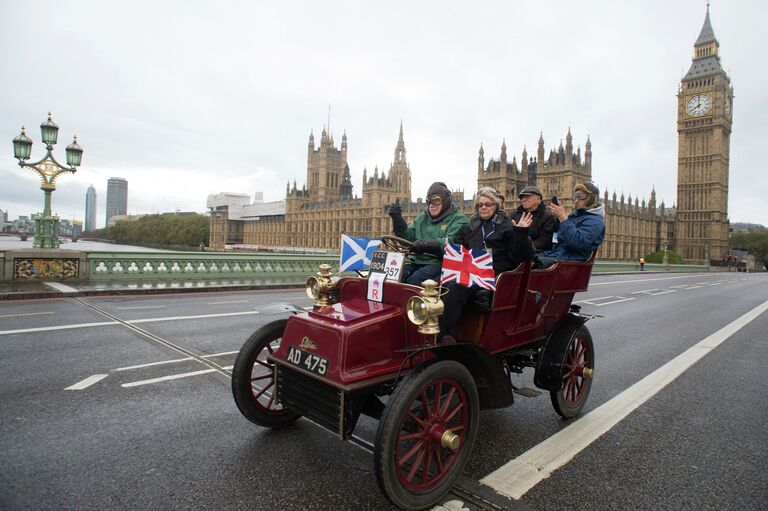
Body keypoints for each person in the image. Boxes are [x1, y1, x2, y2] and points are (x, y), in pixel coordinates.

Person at [439, 187, 534, 339]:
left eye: (487, 204)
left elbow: (521, 257)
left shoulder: (508, 226)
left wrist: (521, 233)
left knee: (455, 287)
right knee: (439, 279)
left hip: (494, 273)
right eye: (480, 205)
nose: (483, 207)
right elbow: (456, 247)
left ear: (496, 205)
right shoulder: (470, 226)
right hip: (471, 271)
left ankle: (442, 333)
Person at [388, 181, 469, 285]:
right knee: (397, 275)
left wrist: (426, 244)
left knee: (416, 278)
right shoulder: (422, 218)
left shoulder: (458, 219)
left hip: (440, 263)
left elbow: (450, 242)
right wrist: (397, 219)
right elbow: (407, 238)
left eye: (436, 201)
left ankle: (414, 301)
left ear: (445, 201)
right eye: (428, 201)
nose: (431, 205)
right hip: (416, 261)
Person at [538, 182, 605, 265]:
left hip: (568, 262)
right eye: (575, 196)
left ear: (592, 198)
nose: (576, 200)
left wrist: (563, 218)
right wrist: (558, 219)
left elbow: (578, 242)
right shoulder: (574, 216)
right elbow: (557, 237)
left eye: (580, 196)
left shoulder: (595, 222)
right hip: (555, 255)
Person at [510, 185, 558, 252]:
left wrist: (525, 248)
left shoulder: (548, 217)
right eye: (522, 197)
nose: (524, 199)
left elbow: (545, 241)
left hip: (534, 253)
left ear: (538, 199)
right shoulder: (514, 215)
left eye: (528, 196)